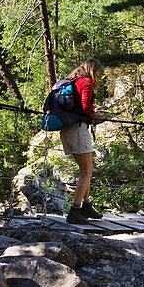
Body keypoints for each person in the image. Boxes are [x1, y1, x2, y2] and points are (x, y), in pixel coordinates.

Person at [60, 59, 106, 224]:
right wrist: (96, 116)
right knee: (86, 172)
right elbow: (86, 107)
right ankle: (75, 210)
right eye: (99, 74)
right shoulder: (86, 81)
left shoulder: (73, 79)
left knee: (87, 169)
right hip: (78, 129)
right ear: (93, 70)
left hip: (66, 129)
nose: (98, 78)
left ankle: (86, 206)